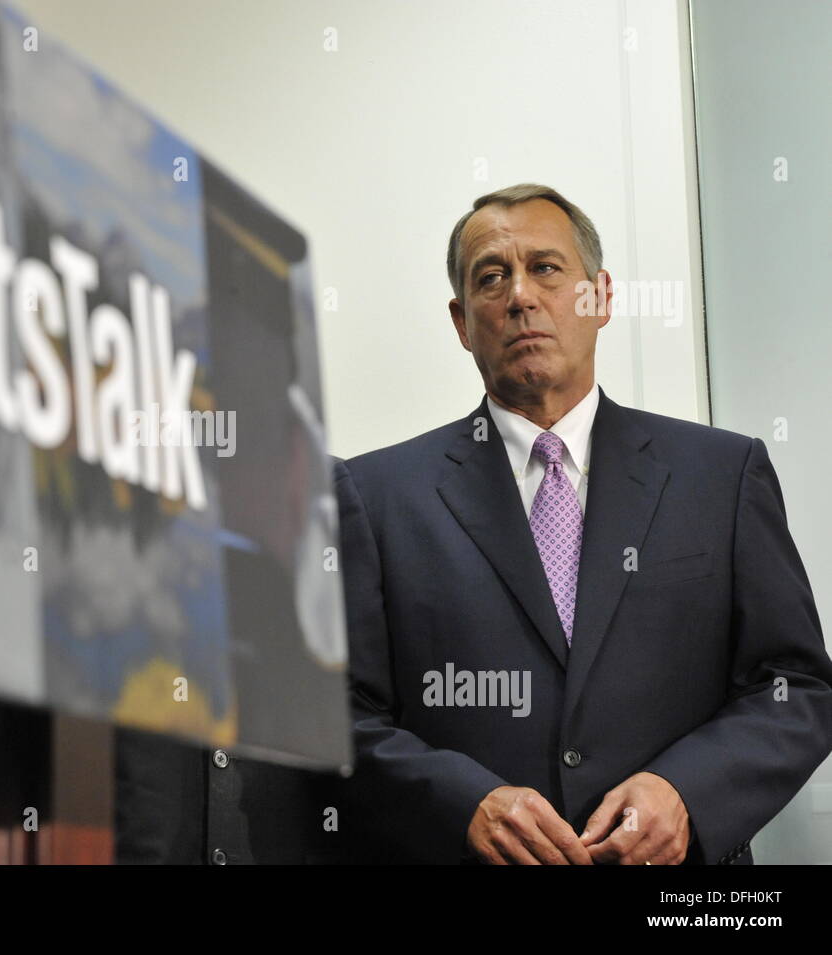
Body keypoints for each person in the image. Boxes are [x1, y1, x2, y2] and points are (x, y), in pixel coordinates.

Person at [332, 183, 832, 864]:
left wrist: (686, 792)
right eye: (491, 277)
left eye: (545, 268)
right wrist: (460, 804)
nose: (520, 297)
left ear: (599, 296)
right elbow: (339, 717)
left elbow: (796, 687)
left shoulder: (720, 475)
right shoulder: (373, 494)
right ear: (461, 321)